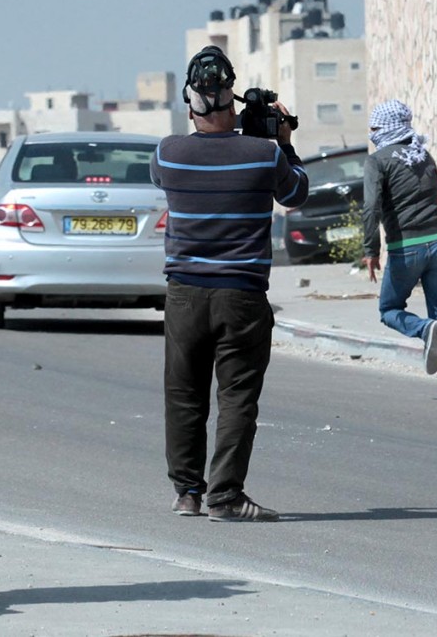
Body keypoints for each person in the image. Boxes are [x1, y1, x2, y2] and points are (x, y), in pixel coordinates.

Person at [150, 46, 309, 522]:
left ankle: (186, 493)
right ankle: (225, 496)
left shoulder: (168, 153)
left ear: (189, 101)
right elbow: (296, 193)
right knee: (236, 395)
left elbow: (165, 175)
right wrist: (281, 141)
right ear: (233, 100)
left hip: (184, 294)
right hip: (242, 295)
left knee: (184, 394)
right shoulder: (262, 154)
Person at [360, 100, 437, 403]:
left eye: (375, 128)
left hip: (407, 249)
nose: (372, 133)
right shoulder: (426, 157)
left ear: (388, 127)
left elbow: (371, 209)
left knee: (389, 310)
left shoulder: (378, 160)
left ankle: (421, 329)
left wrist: (371, 250)